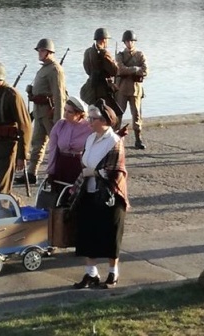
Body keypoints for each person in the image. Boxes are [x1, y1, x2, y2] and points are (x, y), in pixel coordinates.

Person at [73, 99, 129, 290]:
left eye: (93, 118)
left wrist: (94, 172)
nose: (89, 121)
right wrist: (87, 172)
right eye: (89, 117)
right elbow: (84, 161)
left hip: (110, 196)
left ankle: (113, 273)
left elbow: (115, 171)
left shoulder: (114, 141)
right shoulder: (90, 138)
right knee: (88, 233)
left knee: (110, 235)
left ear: (105, 120)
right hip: (89, 192)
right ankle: (91, 274)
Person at [17, 38, 67, 185]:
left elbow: (59, 96)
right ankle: (32, 173)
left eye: (42, 50)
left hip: (50, 113)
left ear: (49, 52)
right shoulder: (44, 68)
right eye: (39, 50)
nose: (39, 52)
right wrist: (32, 92)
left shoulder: (55, 69)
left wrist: (59, 120)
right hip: (39, 112)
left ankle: (59, 172)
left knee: (56, 144)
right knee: (37, 143)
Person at [0, 61, 32, 195]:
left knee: (1, 188)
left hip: (8, 147)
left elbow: (25, 126)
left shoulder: (12, 95)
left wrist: (22, 155)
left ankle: (12, 209)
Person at [44, 97, 92, 199]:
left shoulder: (89, 127)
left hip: (78, 164)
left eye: (69, 112)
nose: (65, 114)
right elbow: (52, 149)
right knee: (58, 196)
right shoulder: (60, 125)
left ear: (79, 114)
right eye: (65, 110)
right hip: (61, 163)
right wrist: (51, 171)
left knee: (75, 197)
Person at [116, 30, 149, 150]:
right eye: (127, 41)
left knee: (137, 115)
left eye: (131, 41)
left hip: (136, 90)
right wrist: (135, 69)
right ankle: (115, 138)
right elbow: (120, 69)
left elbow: (145, 70)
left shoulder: (140, 55)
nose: (129, 43)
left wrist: (132, 70)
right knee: (118, 114)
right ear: (124, 42)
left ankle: (138, 139)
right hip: (123, 89)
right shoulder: (120, 55)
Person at [80, 28, 121, 121]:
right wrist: (114, 63)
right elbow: (114, 71)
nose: (107, 42)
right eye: (107, 40)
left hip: (91, 85)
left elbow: (87, 70)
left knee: (93, 112)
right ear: (104, 40)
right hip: (103, 88)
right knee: (108, 114)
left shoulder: (88, 52)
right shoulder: (104, 53)